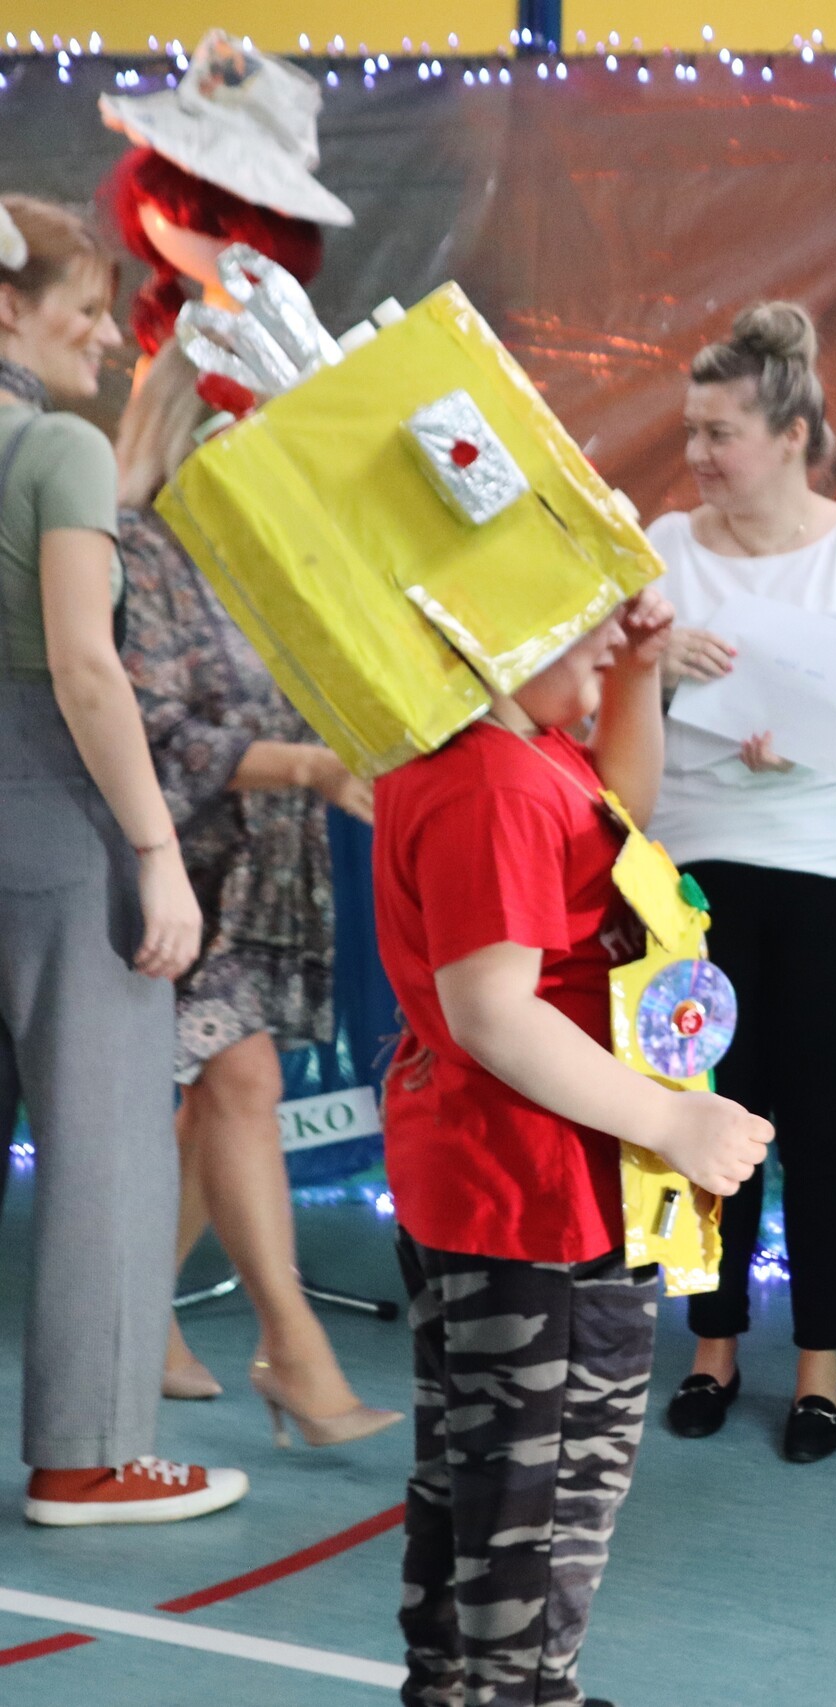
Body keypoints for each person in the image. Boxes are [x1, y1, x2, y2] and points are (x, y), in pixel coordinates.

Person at [372, 585, 771, 1705]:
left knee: (477, 1491)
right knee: (538, 1521)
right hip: (536, 1197)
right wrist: (674, 1121)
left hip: (500, 1182)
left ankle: (466, 1687)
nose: (605, 655)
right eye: (589, 639)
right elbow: (494, 1012)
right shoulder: (492, 783)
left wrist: (633, 672)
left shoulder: (503, 749)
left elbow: (610, 819)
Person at [646, 302, 836, 1463]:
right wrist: (652, 665)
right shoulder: (666, 548)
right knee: (706, 1109)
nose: (696, 454)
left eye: (719, 433)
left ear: (791, 436)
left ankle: (819, 1365)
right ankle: (712, 1346)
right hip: (692, 869)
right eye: (690, 431)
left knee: (819, 1118)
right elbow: (593, 690)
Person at [0, 194, 246, 1525]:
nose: (106, 336)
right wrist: (157, 850)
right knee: (106, 1145)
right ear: (8, 309)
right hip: (53, 819)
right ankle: (89, 1452)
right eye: (88, 311)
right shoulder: (58, 450)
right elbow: (86, 668)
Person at [113, 345, 398, 1446]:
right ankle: (291, 1347)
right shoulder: (137, 548)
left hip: (269, 860)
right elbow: (154, 732)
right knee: (243, 1081)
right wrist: (306, 766)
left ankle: (142, 1321)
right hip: (177, 865)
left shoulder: (274, 551)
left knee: (217, 1102)